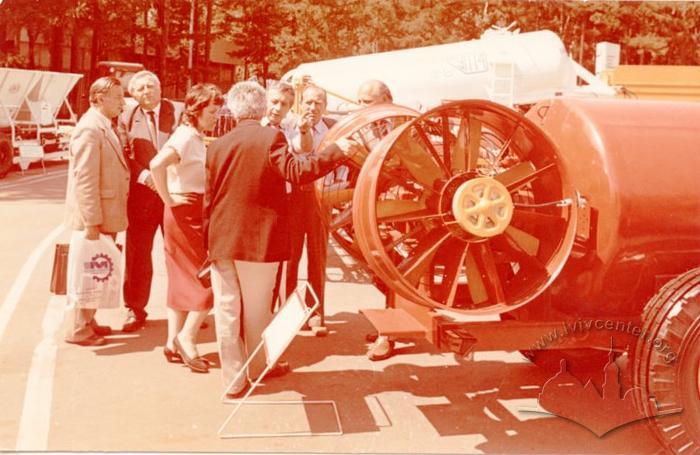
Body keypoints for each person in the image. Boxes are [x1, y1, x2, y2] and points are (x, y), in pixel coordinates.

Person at [204, 81, 361, 398]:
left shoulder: (218, 144)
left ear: (234, 109)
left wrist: (207, 244)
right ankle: (261, 366)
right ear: (261, 108)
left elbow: (209, 198)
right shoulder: (270, 137)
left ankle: (233, 380)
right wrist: (336, 153)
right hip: (257, 241)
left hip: (221, 238)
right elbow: (297, 171)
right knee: (258, 311)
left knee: (227, 310)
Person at [149, 83, 223, 373]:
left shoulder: (192, 135)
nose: (216, 117)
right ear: (197, 111)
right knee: (208, 277)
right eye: (213, 112)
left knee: (182, 279)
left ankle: (172, 342)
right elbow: (157, 164)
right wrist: (168, 199)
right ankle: (187, 337)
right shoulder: (187, 137)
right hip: (186, 213)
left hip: (188, 212)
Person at [64, 76, 128, 346]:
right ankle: (79, 328)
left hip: (105, 213)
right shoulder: (90, 129)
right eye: (117, 97)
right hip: (96, 217)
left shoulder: (103, 125)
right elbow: (85, 178)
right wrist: (92, 221)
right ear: (99, 98)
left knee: (97, 270)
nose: (122, 102)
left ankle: (88, 321)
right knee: (89, 272)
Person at [121, 70, 183, 333]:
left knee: (180, 255)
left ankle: (188, 308)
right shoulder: (126, 118)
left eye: (151, 86)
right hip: (142, 197)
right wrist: (144, 175)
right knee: (137, 255)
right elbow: (124, 154)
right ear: (134, 94)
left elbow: (187, 147)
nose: (147, 91)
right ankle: (134, 309)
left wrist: (166, 176)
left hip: (173, 194)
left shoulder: (178, 112)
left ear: (160, 88)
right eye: (141, 88)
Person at [285, 84, 337, 336]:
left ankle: (316, 312)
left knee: (317, 258)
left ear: (325, 107)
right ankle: (287, 313)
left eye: (318, 103)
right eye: (308, 102)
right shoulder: (287, 127)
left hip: (319, 199)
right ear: (299, 105)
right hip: (292, 198)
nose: (312, 108)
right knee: (290, 259)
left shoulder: (332, 131)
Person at [356, 79, 397, 361]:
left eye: (366, 102)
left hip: (400, 210)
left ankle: (389, 335)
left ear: (386, 99)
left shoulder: (401, 126)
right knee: (379, 270)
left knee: (393, 271)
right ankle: (391, 326)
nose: (361, 109)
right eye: (359, 102)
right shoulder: (368, 130)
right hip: (374, 210)